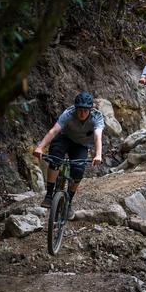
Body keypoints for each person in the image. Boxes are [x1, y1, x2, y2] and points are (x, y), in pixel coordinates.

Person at [33, 91, 104, 219]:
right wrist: (40, 147)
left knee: (78, 170)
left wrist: (98, 155)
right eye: (79, 110)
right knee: (55, 159)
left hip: (81, 145)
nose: (82, 113)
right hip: (64, 138)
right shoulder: (69, 113)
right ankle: (49, 195)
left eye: (85, 111)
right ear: (76, 108)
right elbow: (54, 131)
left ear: (90, 110)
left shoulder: (96, 117)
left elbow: (98, 137)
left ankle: (69, 201)